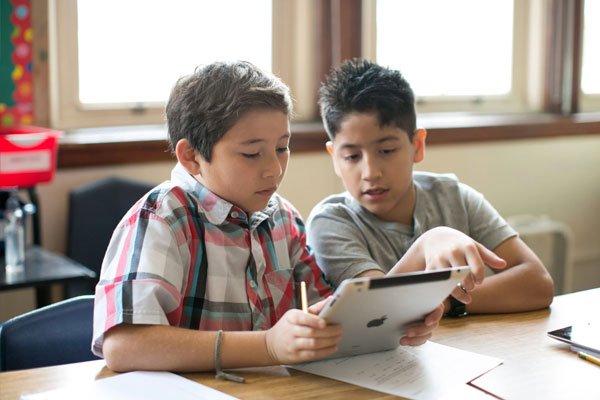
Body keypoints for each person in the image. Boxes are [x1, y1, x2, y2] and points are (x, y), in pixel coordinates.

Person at [92, 61, 441, 375]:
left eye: (282, 148)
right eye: (251, 153)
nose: (274, 169)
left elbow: (328, 310)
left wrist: (396, 319)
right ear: (193, 157)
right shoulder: (163, 218)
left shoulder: (282, 218)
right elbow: (123, 346)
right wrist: (268, 346)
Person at [307, 59, 554, 316]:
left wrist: (449, 302)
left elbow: (538, 283)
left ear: (418, 145)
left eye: (387, 150)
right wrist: (428, 243)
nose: (370, 173)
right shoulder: (330, 222)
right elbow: (380, 310)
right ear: (334, 157)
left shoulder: (454, 197)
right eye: (351, 157)